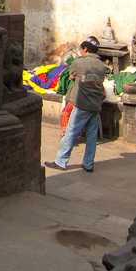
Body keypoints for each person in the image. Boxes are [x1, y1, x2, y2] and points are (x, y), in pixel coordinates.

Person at [45, 36, 109, 173]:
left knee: (71, 132)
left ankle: (60, 161)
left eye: (81, 49)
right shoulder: (101, 66)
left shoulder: (79, 62)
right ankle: (88, 164)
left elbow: (71, 76)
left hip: (82, 103)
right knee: (92, 135)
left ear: (85, 49)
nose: (80, 51)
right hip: (96, 104)